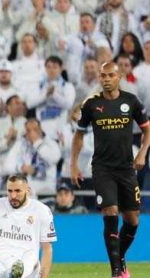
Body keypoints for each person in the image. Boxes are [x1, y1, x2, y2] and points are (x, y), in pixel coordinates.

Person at [73, 62, 150, 278]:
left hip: (126, 168)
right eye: (103, 76)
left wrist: (142, 153)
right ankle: (116, 271)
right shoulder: (91, 104)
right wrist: (73, 164)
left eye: (110, 75)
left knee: (132, 219)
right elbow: (78, 135)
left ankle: (120, 258)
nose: (106, 79)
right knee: (110, 212)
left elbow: (147, 130)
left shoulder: (131, 101)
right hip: (102, 168)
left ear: (119, 77)